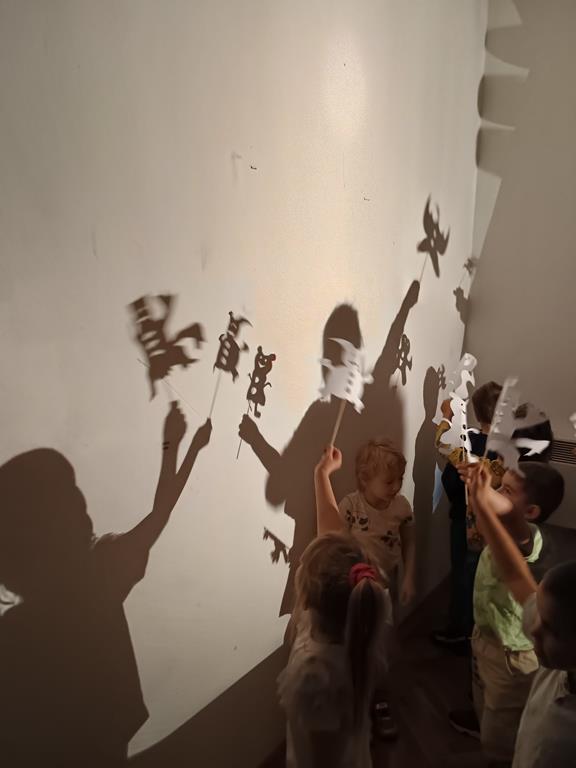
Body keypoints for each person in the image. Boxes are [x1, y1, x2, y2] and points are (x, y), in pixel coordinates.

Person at [0, 402, 211, 767]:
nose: (80, 501)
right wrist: (177, 445)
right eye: (68, 495)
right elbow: (160, 513)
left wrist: (182, 445)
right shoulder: (98, 576)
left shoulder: (13, 634)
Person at [450, 461, 565, 767]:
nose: (498, 493)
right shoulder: (501, 528)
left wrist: (485, 492)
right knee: (485, 700)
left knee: (501, 733)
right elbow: (492, 520)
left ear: (531, 512)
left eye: (508, 491)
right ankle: (486, 723)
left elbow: (511, 519)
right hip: (485, 638)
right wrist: (481, 495)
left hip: (511, 656)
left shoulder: (528, 537)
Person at [314, 441, 409, 739]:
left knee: (381, 647)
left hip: (385, 590)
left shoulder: (401, 507)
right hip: (355, 591)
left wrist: (410, 576)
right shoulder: (350, 507)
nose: (396, 487)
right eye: (389, 481)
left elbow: (409, 539)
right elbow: (334, 541)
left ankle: (379, 699)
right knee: (354, 645)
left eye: (399, 480)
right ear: (365, 479)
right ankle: (354, 698)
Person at [278, 527, 390, 768]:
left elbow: (323, 756)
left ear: (307, 598)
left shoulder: (316, 678)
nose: (298, 561)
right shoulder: (359, 638)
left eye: (302, 564)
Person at [433, 381, 503, 649]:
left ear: (476, 411)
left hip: (465, 519)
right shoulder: (507, 448)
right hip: (493, 520)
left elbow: (442, 443)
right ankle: (479, 628)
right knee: (481, 573)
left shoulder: (469, 440)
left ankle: (460, 630)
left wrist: (447, 415)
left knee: (463, 573)